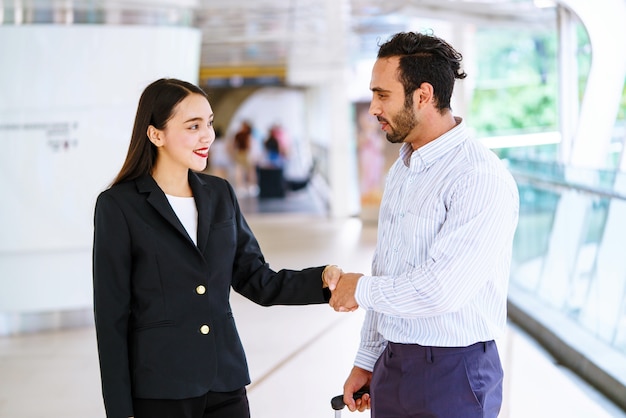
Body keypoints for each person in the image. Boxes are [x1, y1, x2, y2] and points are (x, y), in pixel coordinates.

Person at [92, 78, 342, 418]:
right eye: (193, 126)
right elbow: (112, 319)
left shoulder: (219, 194)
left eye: (208, 123)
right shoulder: (118, 206)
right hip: (161, 390)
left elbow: (256, 278)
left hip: (225, 382)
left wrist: (322, 281)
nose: (207, 136)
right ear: (156, 135)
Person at [328, 32, 520, 418]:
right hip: (393, 363)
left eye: (383, 95)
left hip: (455, 374)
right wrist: (368, 358)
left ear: (423, 95)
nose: (372, 108)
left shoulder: (478, 176)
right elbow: (389, 269)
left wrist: (359, 289)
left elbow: (441, 290)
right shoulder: (404, 168)